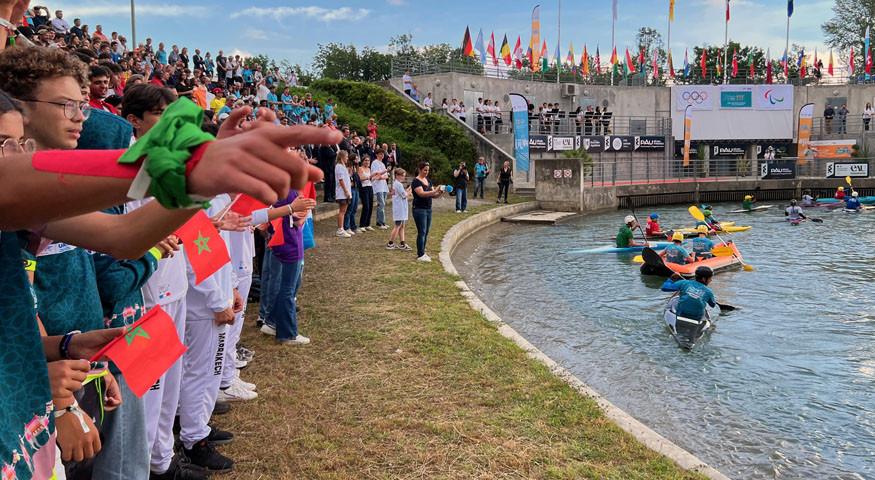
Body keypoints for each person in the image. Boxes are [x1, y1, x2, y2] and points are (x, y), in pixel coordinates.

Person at [411, 161, 445, 262]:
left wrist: (439, 193)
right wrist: (435, 191)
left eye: (428, 170)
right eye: (425, 170)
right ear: (420, 169)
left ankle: (423, 251)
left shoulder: (428, 180)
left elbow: (433, 195)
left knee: (426, 232)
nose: (426, 172)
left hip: (428, 209)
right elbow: (421, 194)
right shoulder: (416, 181)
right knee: (422, 232)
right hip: (419, 209)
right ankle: (420, 255)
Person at [387, 168, 412, 251]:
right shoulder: (398, 184)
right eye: (402, 176)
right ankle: (390, 243)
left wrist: (407, 190)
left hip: (400, 208)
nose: (403, 178)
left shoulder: (397, 184)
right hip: (399, 208)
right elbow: (404, 195)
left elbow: (402, 193)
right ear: (397, 175)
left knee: (402, 226)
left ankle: (402, 243)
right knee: (398, 226)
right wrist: (409, 191)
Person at [334, 150, 352, 237]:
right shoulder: (339, 166)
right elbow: (341, 180)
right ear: (342, 157)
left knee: (344, 211)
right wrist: (346, 191)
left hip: (345, 192)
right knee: (342, 211)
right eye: (346, 157)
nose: (347, 158)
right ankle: (340, 229)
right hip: (342, 193)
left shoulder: (343, 166)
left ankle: (342, 228)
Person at [371, 149, 390, 229]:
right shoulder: (374, 163)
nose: (382, 155)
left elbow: (386, 176)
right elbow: (376, 176)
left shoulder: (382, 164)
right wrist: (384, 172)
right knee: (381, 204)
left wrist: (382, 175)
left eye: (383, 154)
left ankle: (382, 222)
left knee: (383, 204)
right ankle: (379, 223)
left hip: (384, 186)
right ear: (377, 154)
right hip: (378, 187)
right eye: (380, 154)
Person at [357, 154, 375, 232]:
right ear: (363, 161)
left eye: (368, 160)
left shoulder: (369, 169)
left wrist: (375, 177)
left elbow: (370, 179)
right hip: (364, 189)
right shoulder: (360, 168)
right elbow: (360, 178)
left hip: (370, 187)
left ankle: (368, 224)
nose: (367, 162)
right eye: (366, 160)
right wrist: (369, 177)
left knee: (371, 206)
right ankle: (362, 224)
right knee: (366, 206)